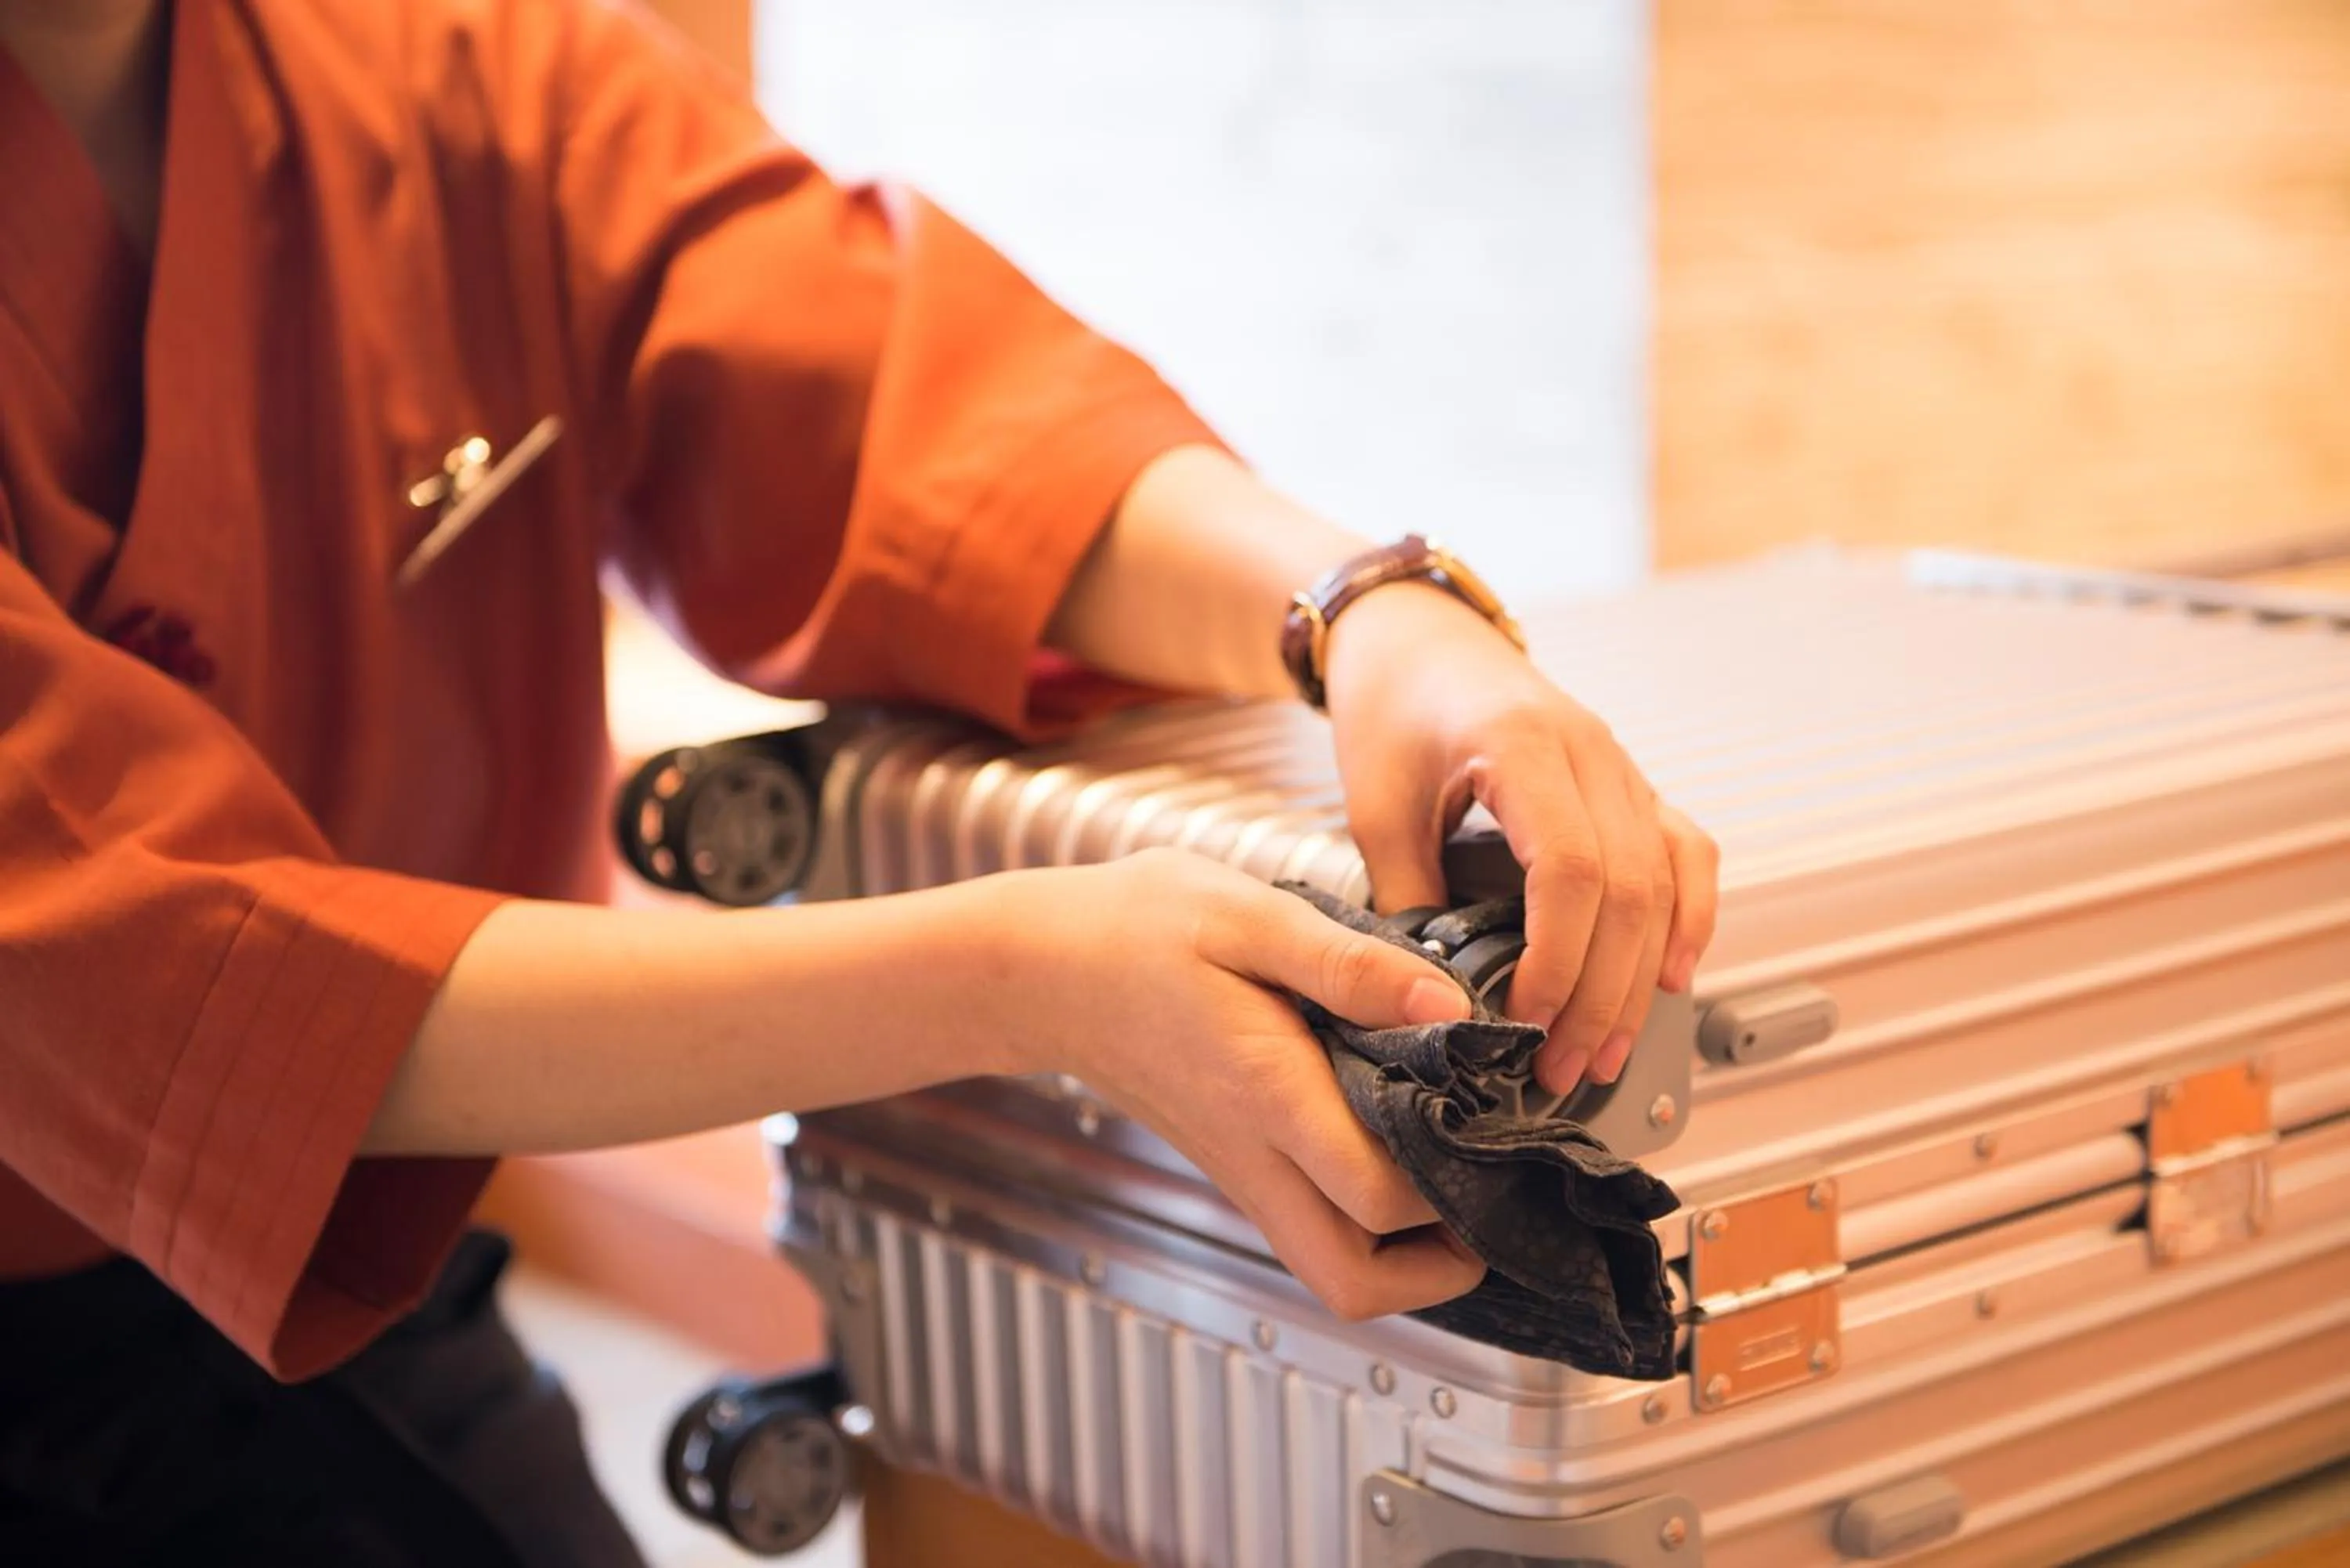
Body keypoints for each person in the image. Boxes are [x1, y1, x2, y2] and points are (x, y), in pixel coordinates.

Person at [0, 0, 1718, 1560]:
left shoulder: (456, 65)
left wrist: (1368, 607)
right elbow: (154, 966)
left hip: (354, 1275)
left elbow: (899, 414)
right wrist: (1028, 974)